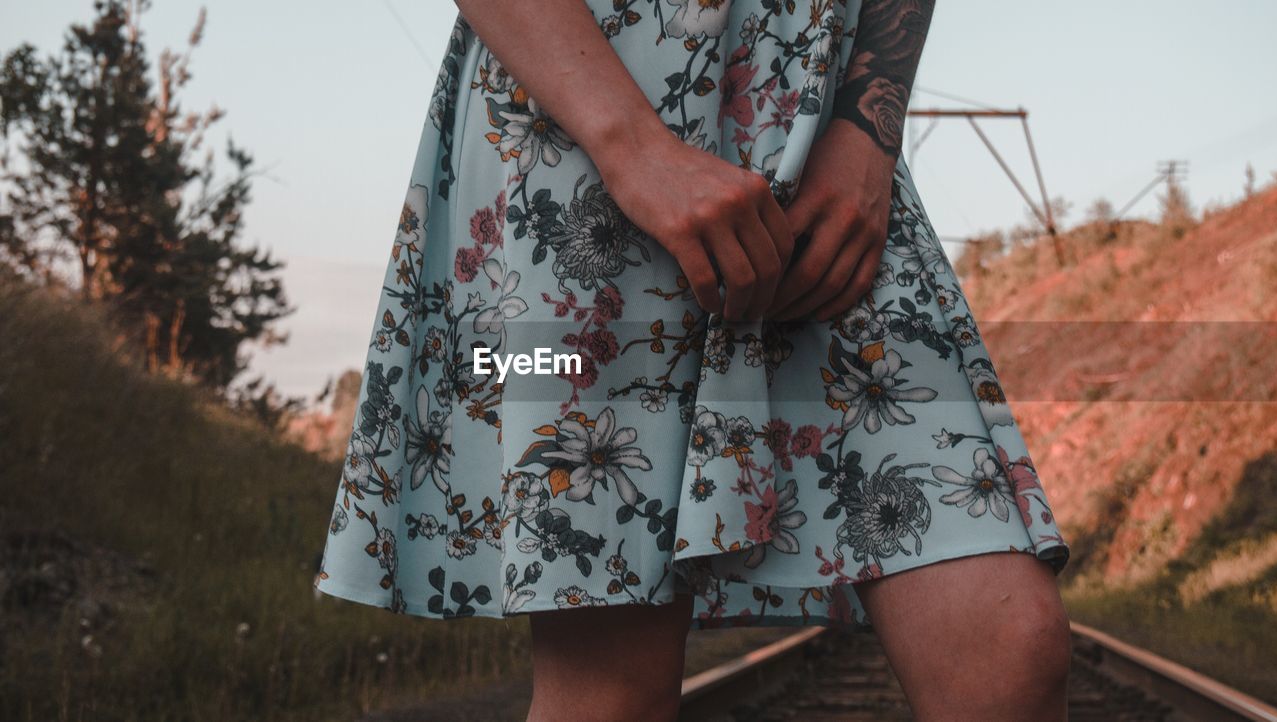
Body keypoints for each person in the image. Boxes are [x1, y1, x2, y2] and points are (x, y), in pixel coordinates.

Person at [313, 1, 1073, 720]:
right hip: (581, 137)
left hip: (815, 153)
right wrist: (632, 148)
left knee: (1010, 652)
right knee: (613, 693)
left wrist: (871, 131)